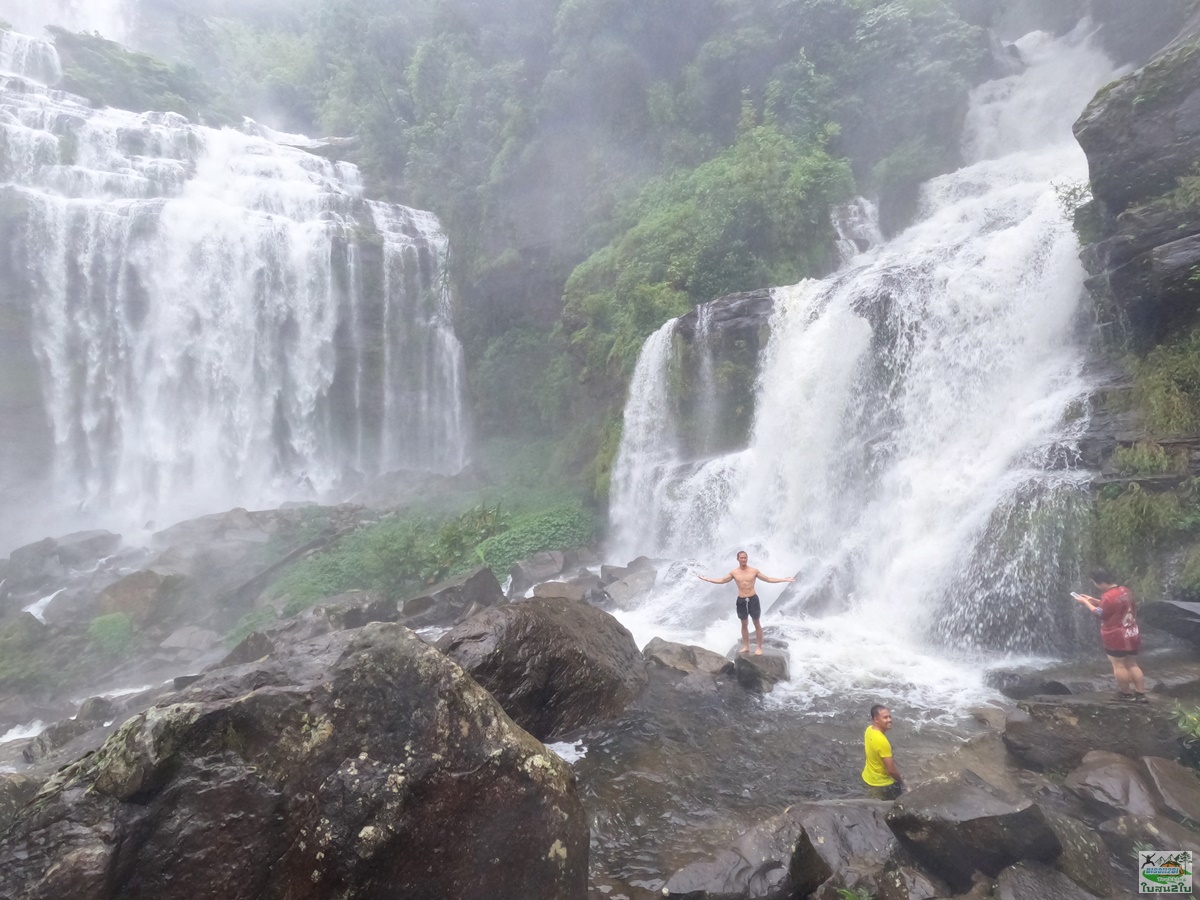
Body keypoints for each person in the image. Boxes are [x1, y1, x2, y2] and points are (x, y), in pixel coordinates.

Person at [698, 550, 795, 655]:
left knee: (756, 623)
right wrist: (707, 579)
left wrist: (784, 580)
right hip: (741, 601)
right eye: (742, 558)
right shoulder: (734, 572)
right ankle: (746, 646)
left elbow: (768, 579)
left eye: (745, 558)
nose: (744, 559)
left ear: (747, 559)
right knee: (744, 624)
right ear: (738, 559)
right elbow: (722, 580)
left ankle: (759, 648)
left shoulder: (754, 571)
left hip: (753, 599)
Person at [1074, 567, 1147, 703]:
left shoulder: (1108, 596)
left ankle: (1126, 694)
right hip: (1131, 633)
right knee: (1132, 663)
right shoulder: (1125, 590)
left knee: (1118, 665)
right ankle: (1141, 694)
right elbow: (1115, 605)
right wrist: (1093, 599)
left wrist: (1086, 602)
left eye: (1094, 583)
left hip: (1116, 636)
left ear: (1100, 582)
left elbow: (1100, 613)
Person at [862, 704, 903, 800]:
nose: (889, 720)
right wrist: (902, 782)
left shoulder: (869, 730)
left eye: (889, 716)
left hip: (867, 777)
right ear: (876, 719)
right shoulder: (882, 741)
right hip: (881, 784)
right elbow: (891, 771)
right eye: (885, 717)